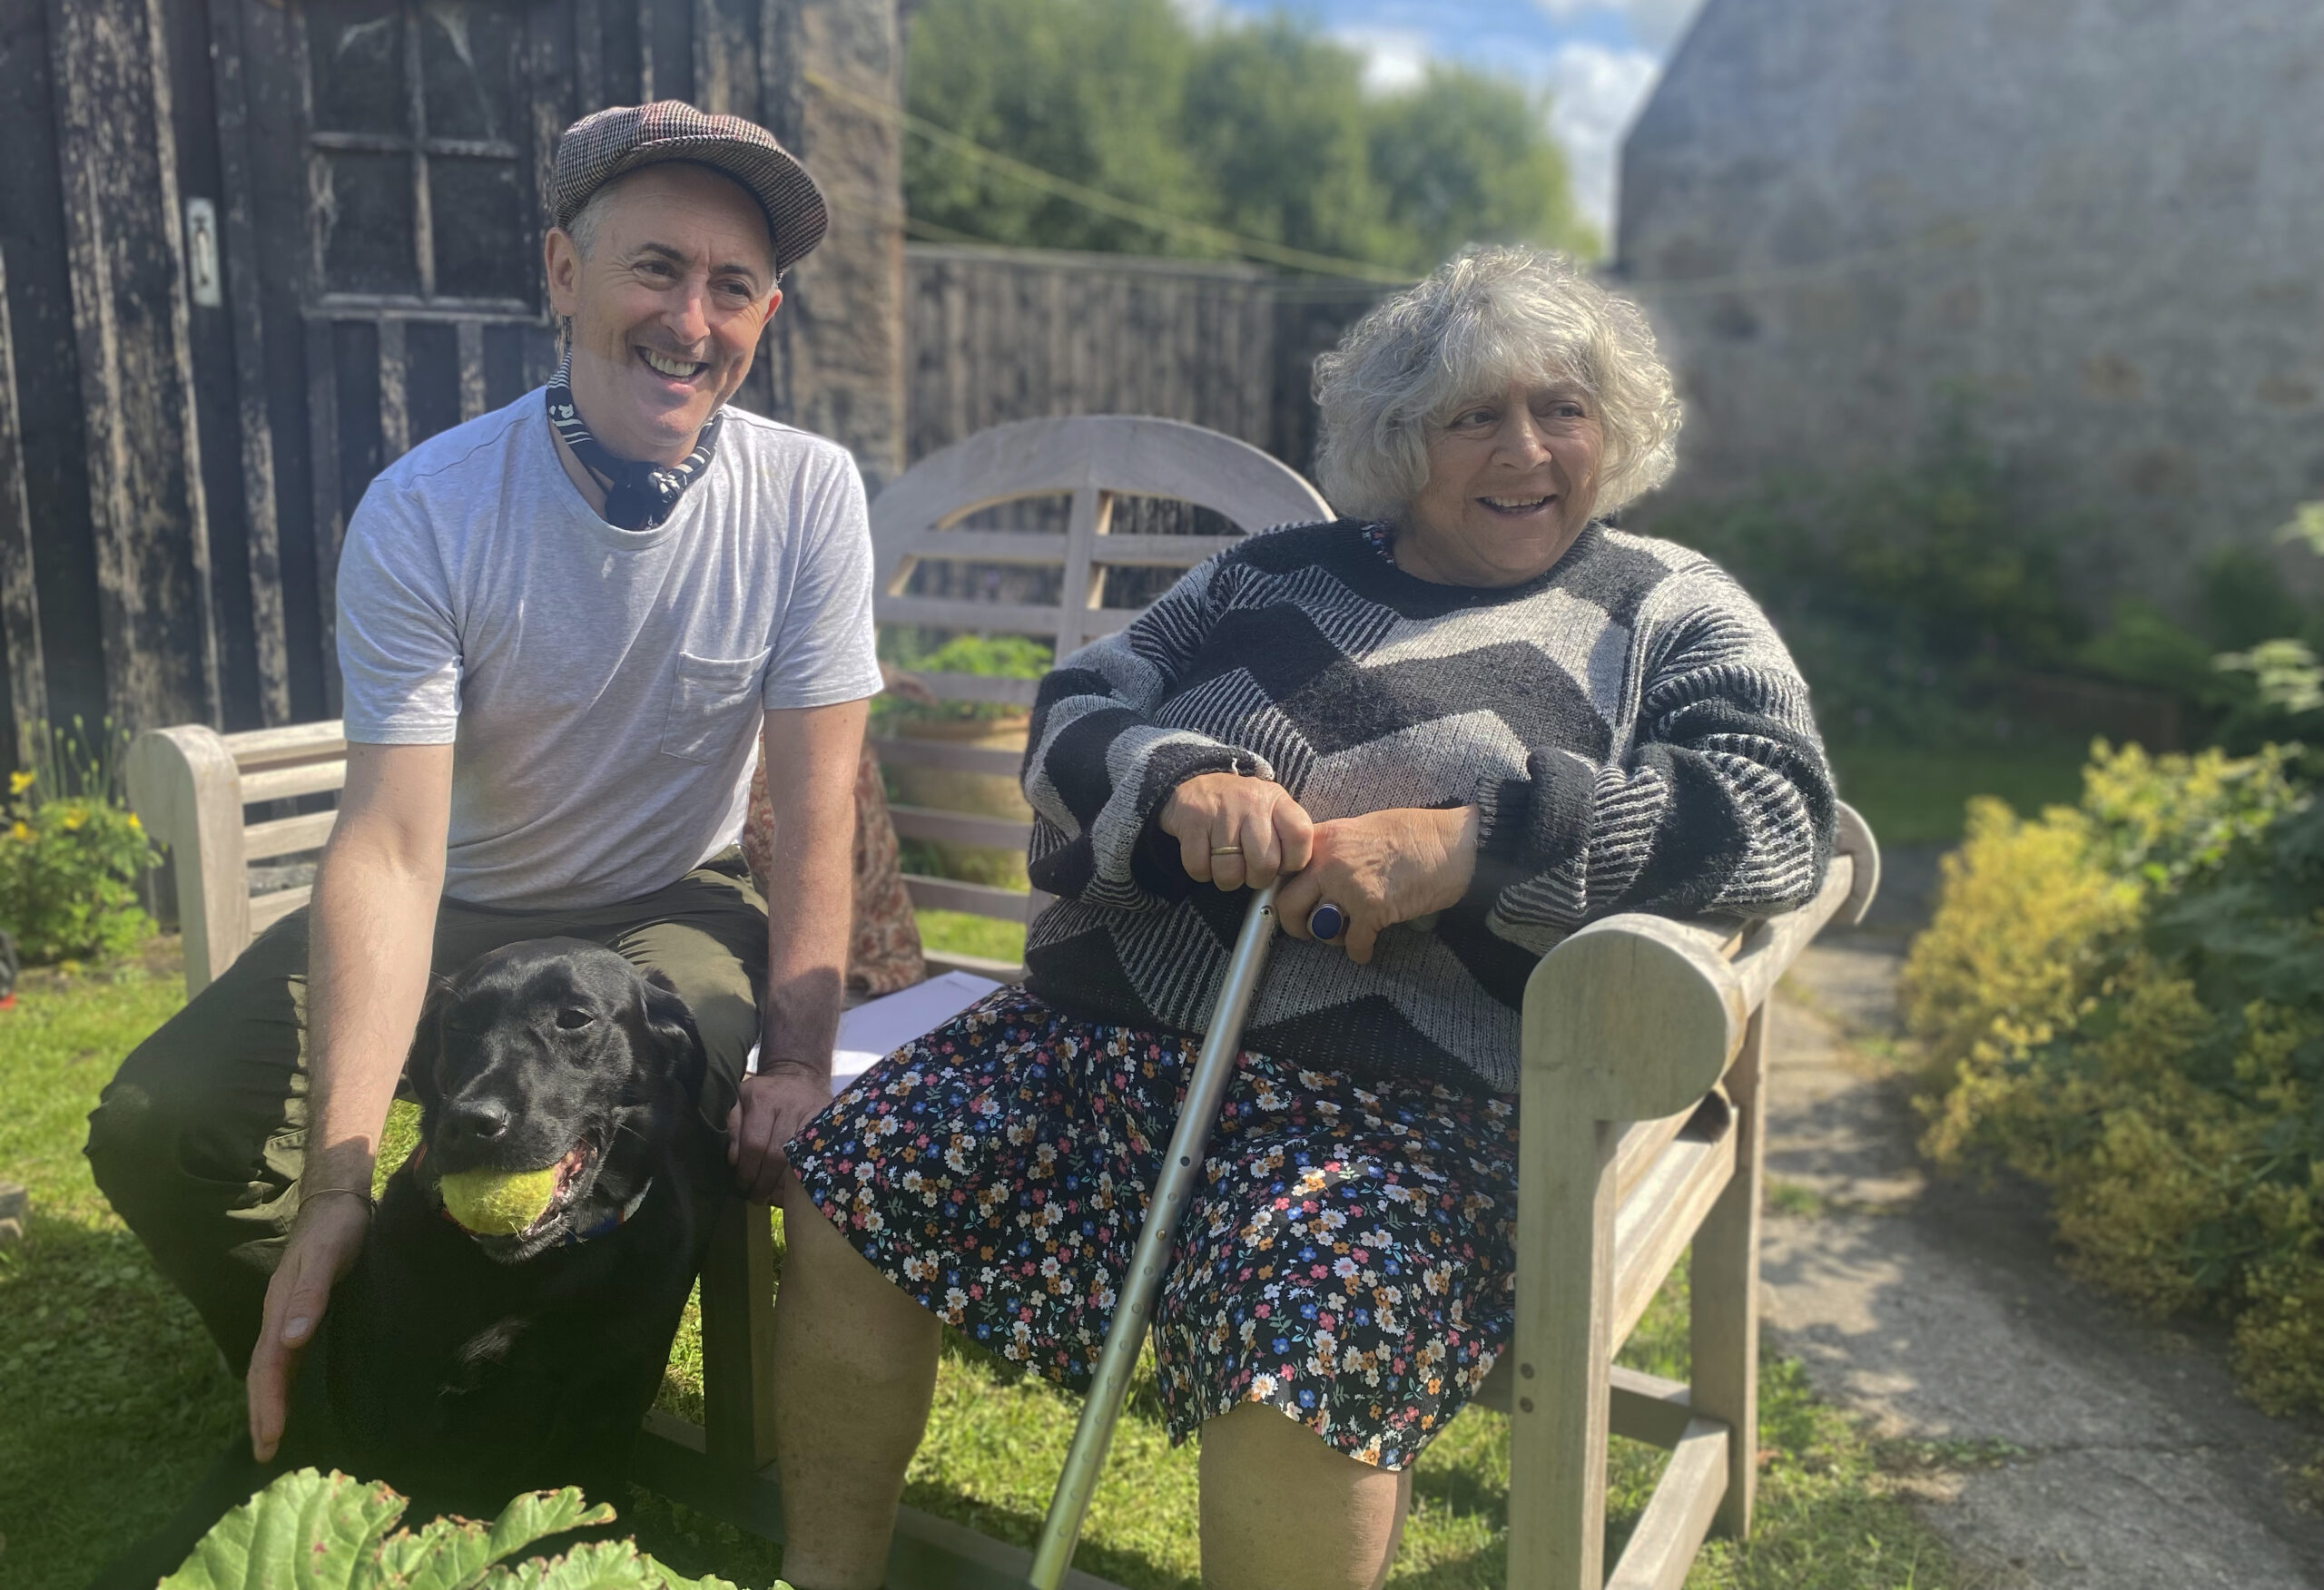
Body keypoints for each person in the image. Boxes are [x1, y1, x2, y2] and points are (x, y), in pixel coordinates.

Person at [763, 246, 1837, 1590]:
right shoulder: (1265, 576)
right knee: (858, 1173)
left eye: (1562, 408)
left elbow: (1779, 811)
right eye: (1473, 417)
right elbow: (1073, 714)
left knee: (1313, 1325)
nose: (1527, 449)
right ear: (1400, 437)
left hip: (1404, 1110)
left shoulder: (1666, 606)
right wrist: (1174, 784)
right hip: (1108, 1045)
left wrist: (1475, 843)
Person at [85, 101, 882, 1470]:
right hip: (450, 901)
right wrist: (337, 1180)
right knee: (165, 1127)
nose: (692, 320)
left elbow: (817, 809)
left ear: (767, 314)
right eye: (655, 268)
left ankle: (561, 1425)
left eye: (733, 287)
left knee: (675, 1100)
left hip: (661, 906)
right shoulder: (432, 509)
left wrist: (800, 1062)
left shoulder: (807, 496)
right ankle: (336, 1368)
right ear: (565, 274)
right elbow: (391, 850)